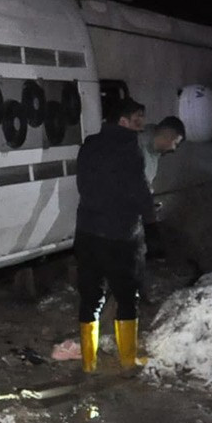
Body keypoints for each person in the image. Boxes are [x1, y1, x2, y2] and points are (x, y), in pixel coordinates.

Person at [75, 97, 156, 373]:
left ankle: (89, 363)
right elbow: (139, 189)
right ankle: (127, 360)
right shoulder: (129, 147)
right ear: (122, 121)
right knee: (126, 296)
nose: (141, 127)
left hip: (86, 231)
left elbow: (83, 184)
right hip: (120, 235)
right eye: (137, 121)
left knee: (89, 297)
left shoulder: (89, 144)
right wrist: (151, 221)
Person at [138, 116, 186, 261]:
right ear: (168, 135)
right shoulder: (137, 145)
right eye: (175, 143)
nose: (174, 149)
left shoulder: (155, 152)